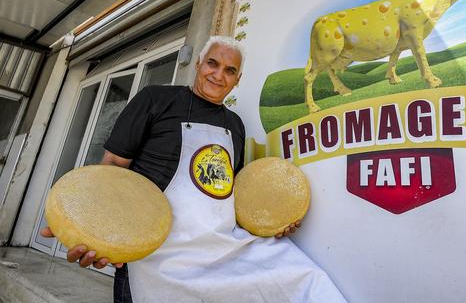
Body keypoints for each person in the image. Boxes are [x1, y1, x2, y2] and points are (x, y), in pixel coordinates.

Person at [41, 36, 346, 303]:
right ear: (198, 63)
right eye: (212, 63)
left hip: (219, 246)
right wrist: (90, 226)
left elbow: (224, 195)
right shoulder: (156, 99)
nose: (218, 75)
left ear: (238, 80)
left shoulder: (235, 125)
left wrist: (274, 219)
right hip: (157, 252)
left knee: (302, 277)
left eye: (230, 71)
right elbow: (111, 169)